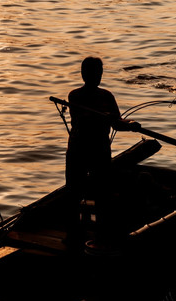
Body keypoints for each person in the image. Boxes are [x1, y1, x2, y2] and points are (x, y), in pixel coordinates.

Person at [65, 56, 140, 247]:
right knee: (74, 192)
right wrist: (104, 118)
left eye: (99, 72)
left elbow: (117, 122)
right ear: (83, 74)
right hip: (78, 150)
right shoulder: (75, 96)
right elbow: (82, 119)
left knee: (102, 194)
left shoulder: (107, 96)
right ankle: (74, 234)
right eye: (92, 72)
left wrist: (130, 125)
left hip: (100, 150)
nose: (96, 76)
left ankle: (102, 235)